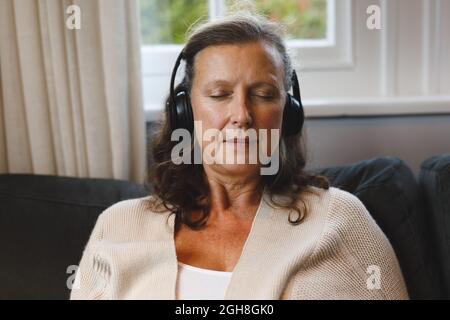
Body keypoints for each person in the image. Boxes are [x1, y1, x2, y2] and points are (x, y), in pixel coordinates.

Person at [71, 12, 408, 300]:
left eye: (263, 94)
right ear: (185, 111)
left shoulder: (340, 220)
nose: (242, 115)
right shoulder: (117, 225)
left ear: (287, 114)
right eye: (220, 94)